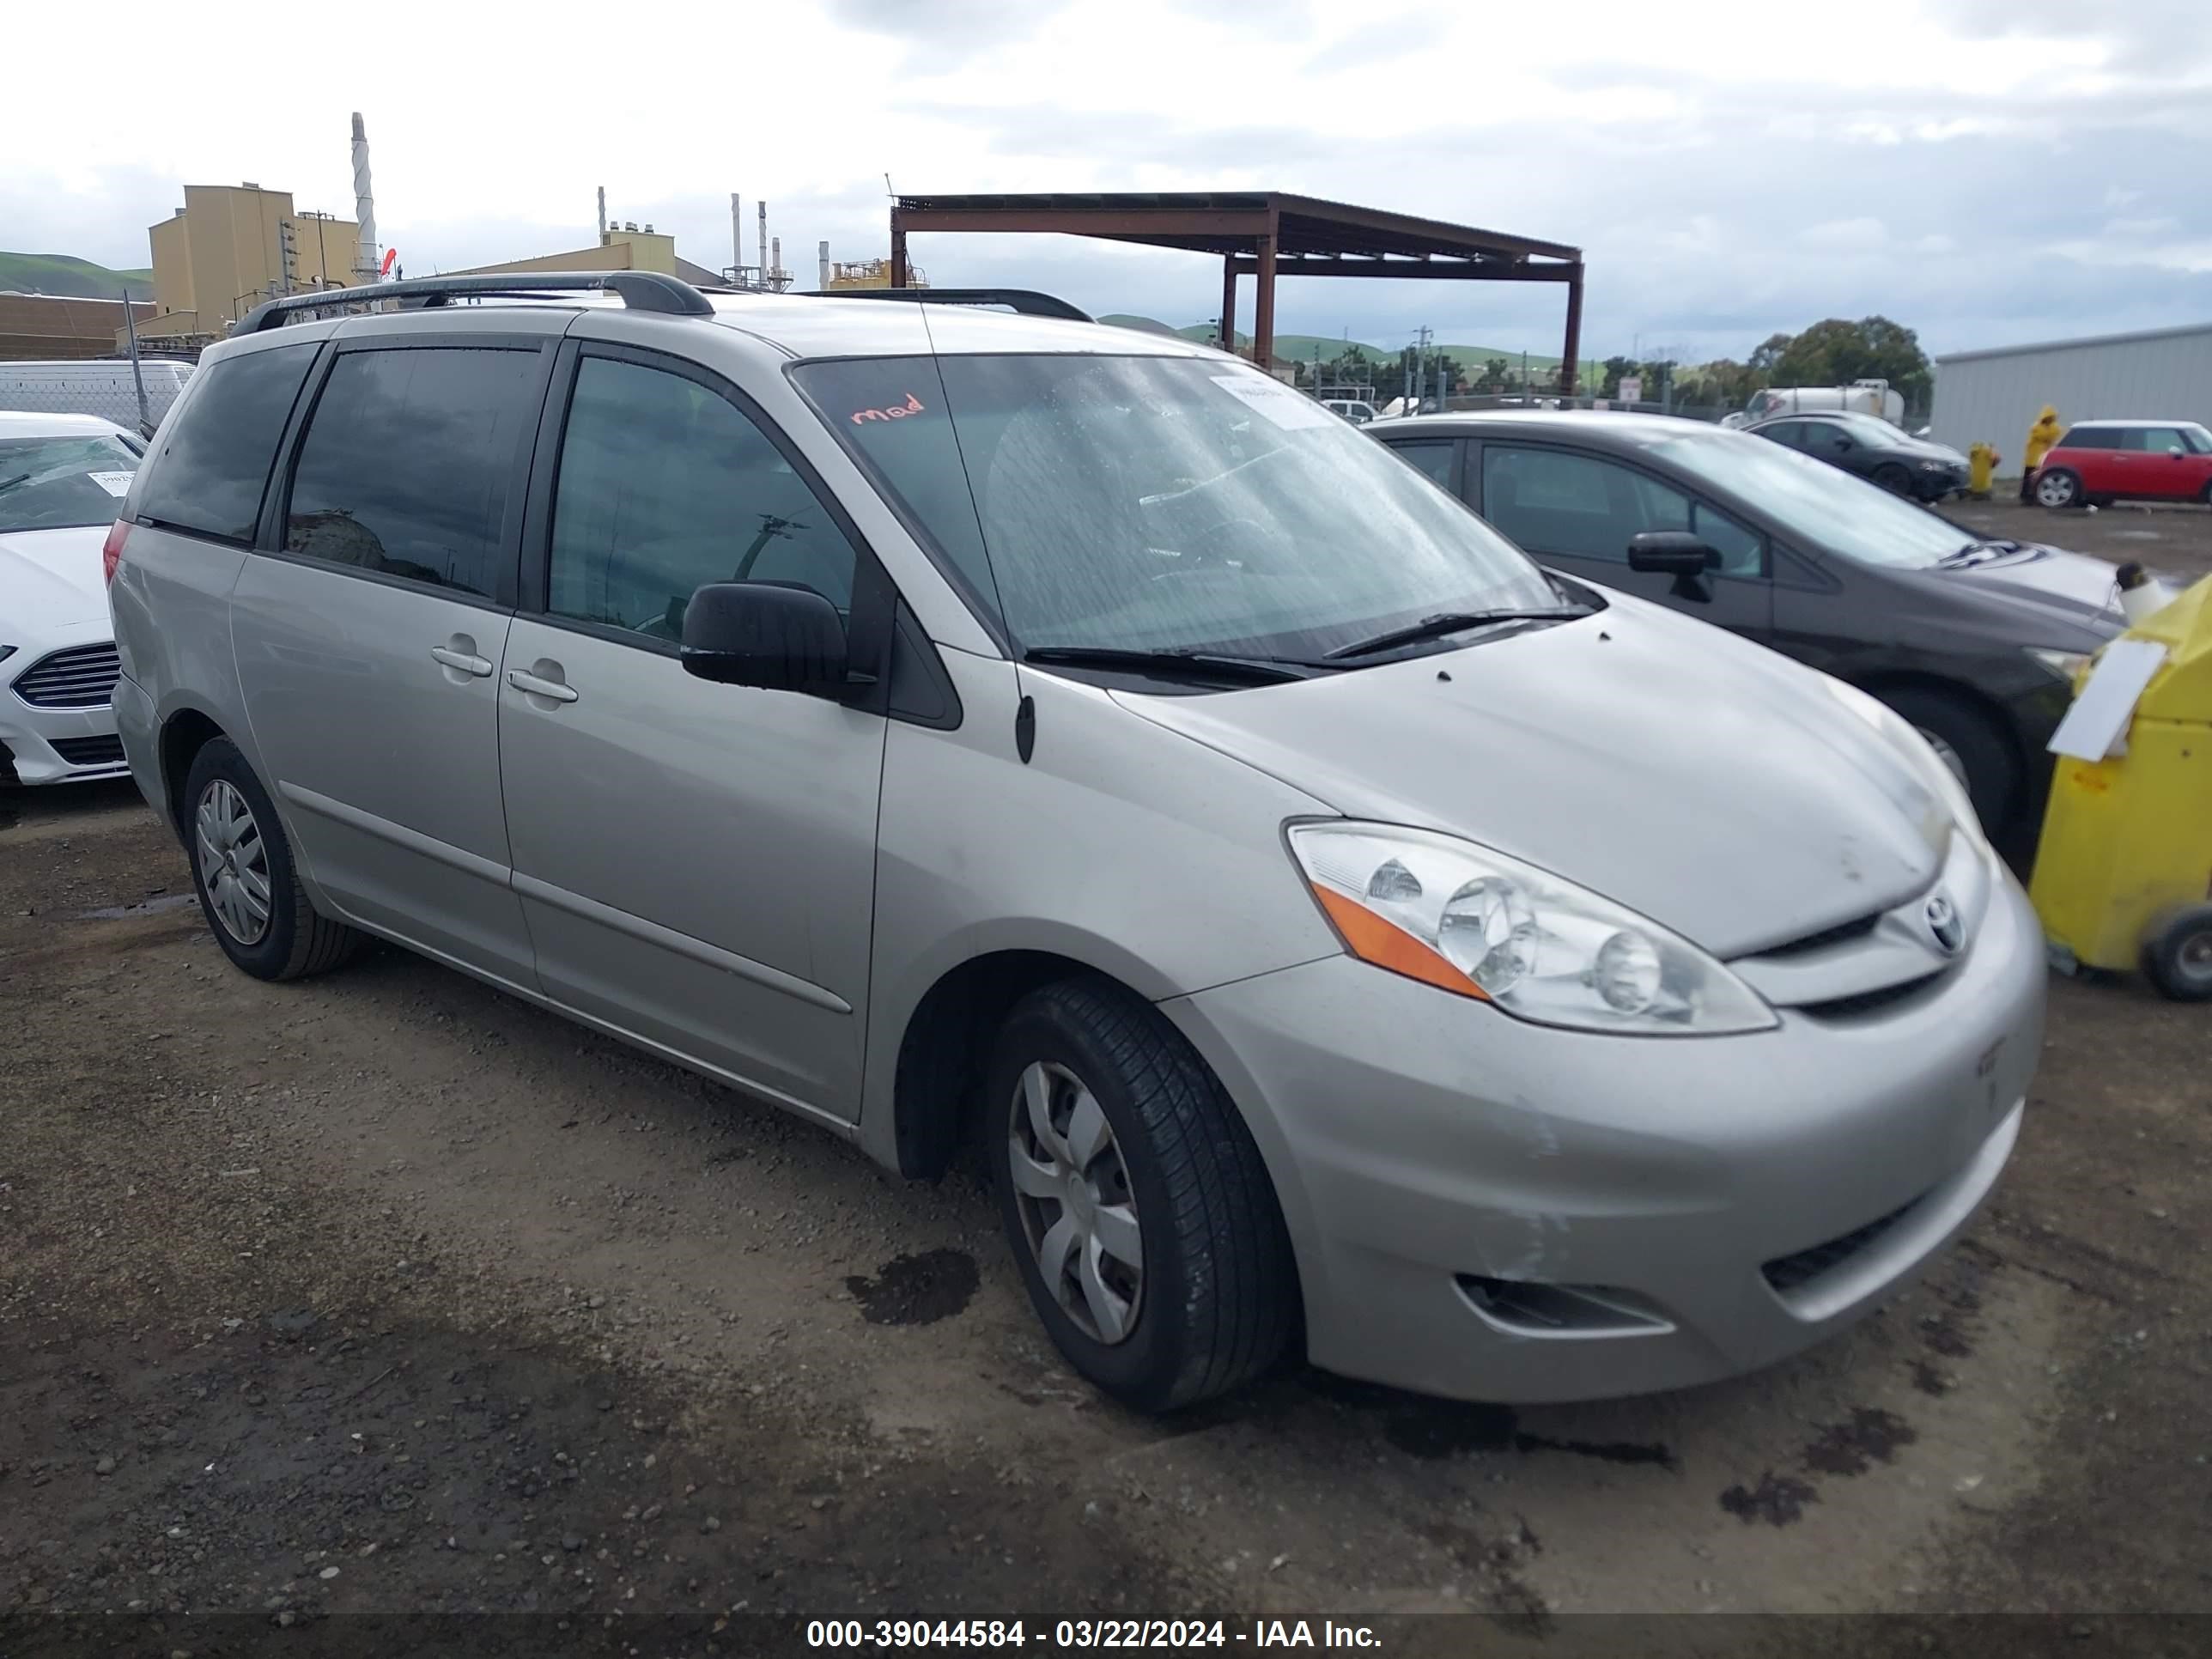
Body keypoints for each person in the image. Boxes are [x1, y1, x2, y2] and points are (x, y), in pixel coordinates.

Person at [2021, 405, 2063, 501]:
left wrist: (2049, 436)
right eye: (2049, 417)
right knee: (2028, 477)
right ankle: (2026, 496)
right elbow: (2043, 436)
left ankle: (2035, 496)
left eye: (2052, 417)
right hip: (2032, 457)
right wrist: (2048, 436)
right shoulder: (2036, 427)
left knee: (2040, 478)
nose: (2050, 419)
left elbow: (2055, 435)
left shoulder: (2054, 427)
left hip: (2044, 458)